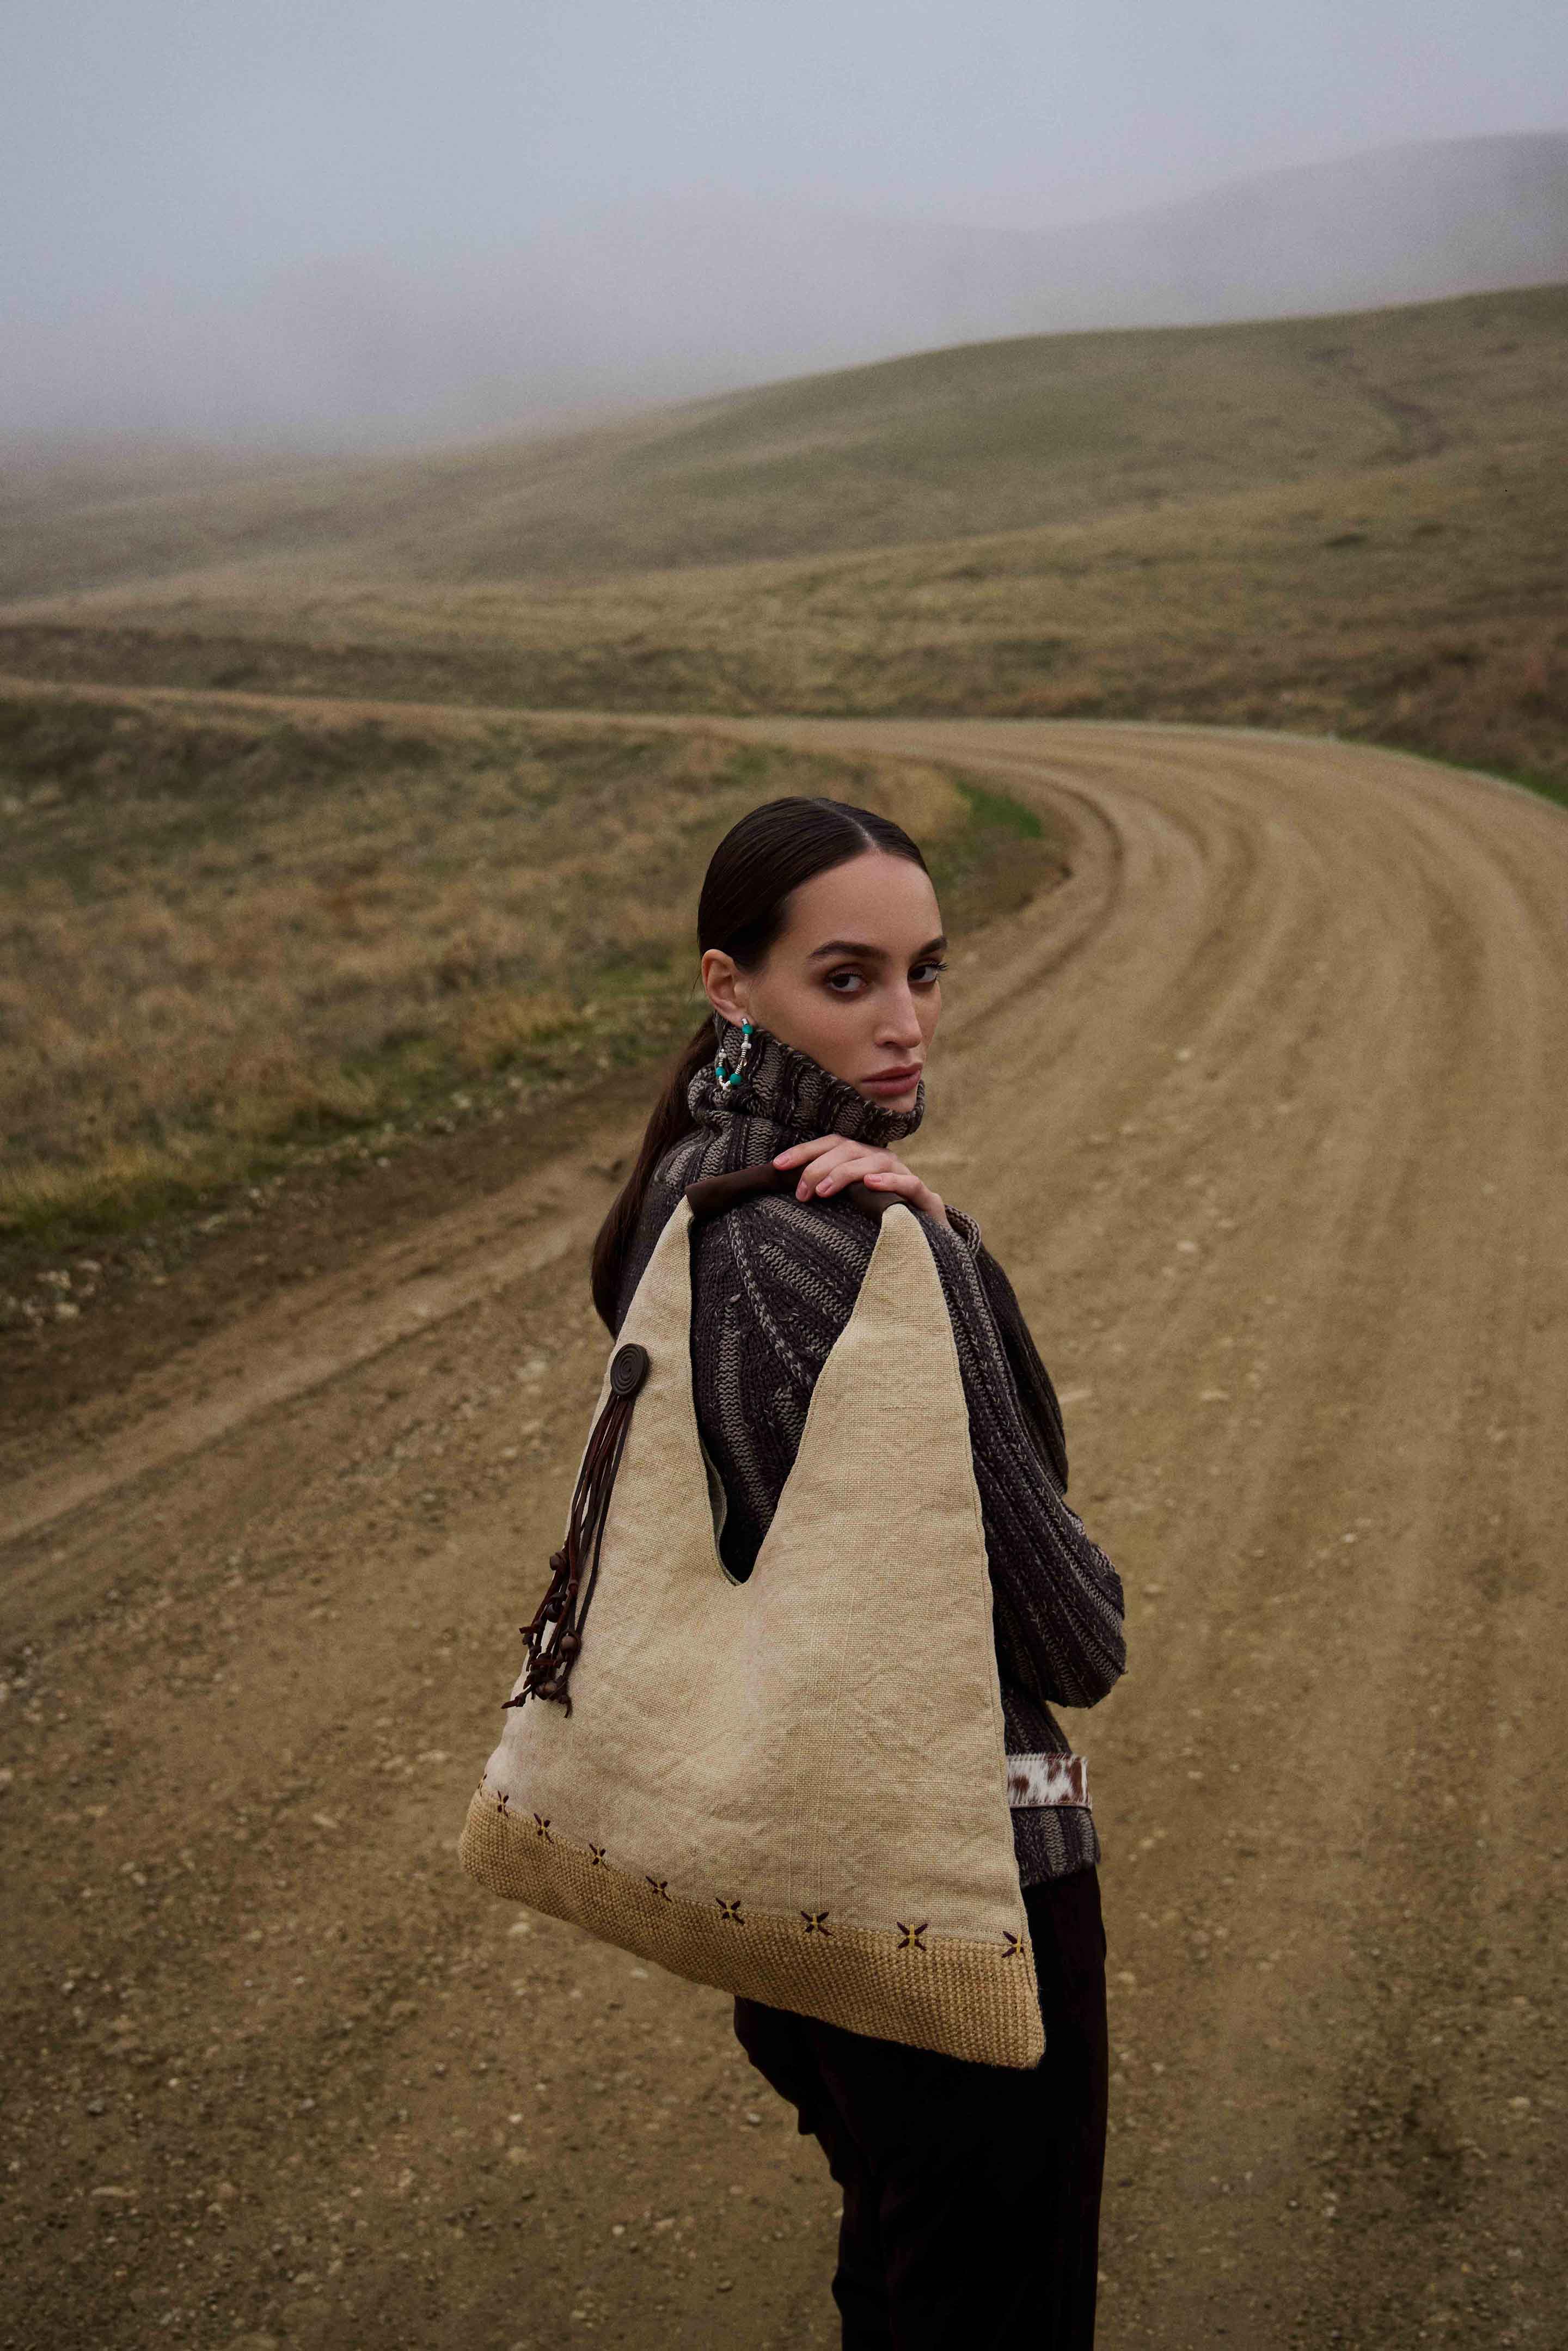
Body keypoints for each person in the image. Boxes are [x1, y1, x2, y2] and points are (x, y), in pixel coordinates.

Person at [590, 795, 1126, 2349]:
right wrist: (945, 1273)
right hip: (953, 1893)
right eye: (847, 978)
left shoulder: (690, 1189)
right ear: (728, 985)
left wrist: (939, 1249)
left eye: (928, 971)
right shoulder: (837, 1244)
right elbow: (1075, 1636)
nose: (906, 1024)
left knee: (903, 2259)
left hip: (785, 1868)